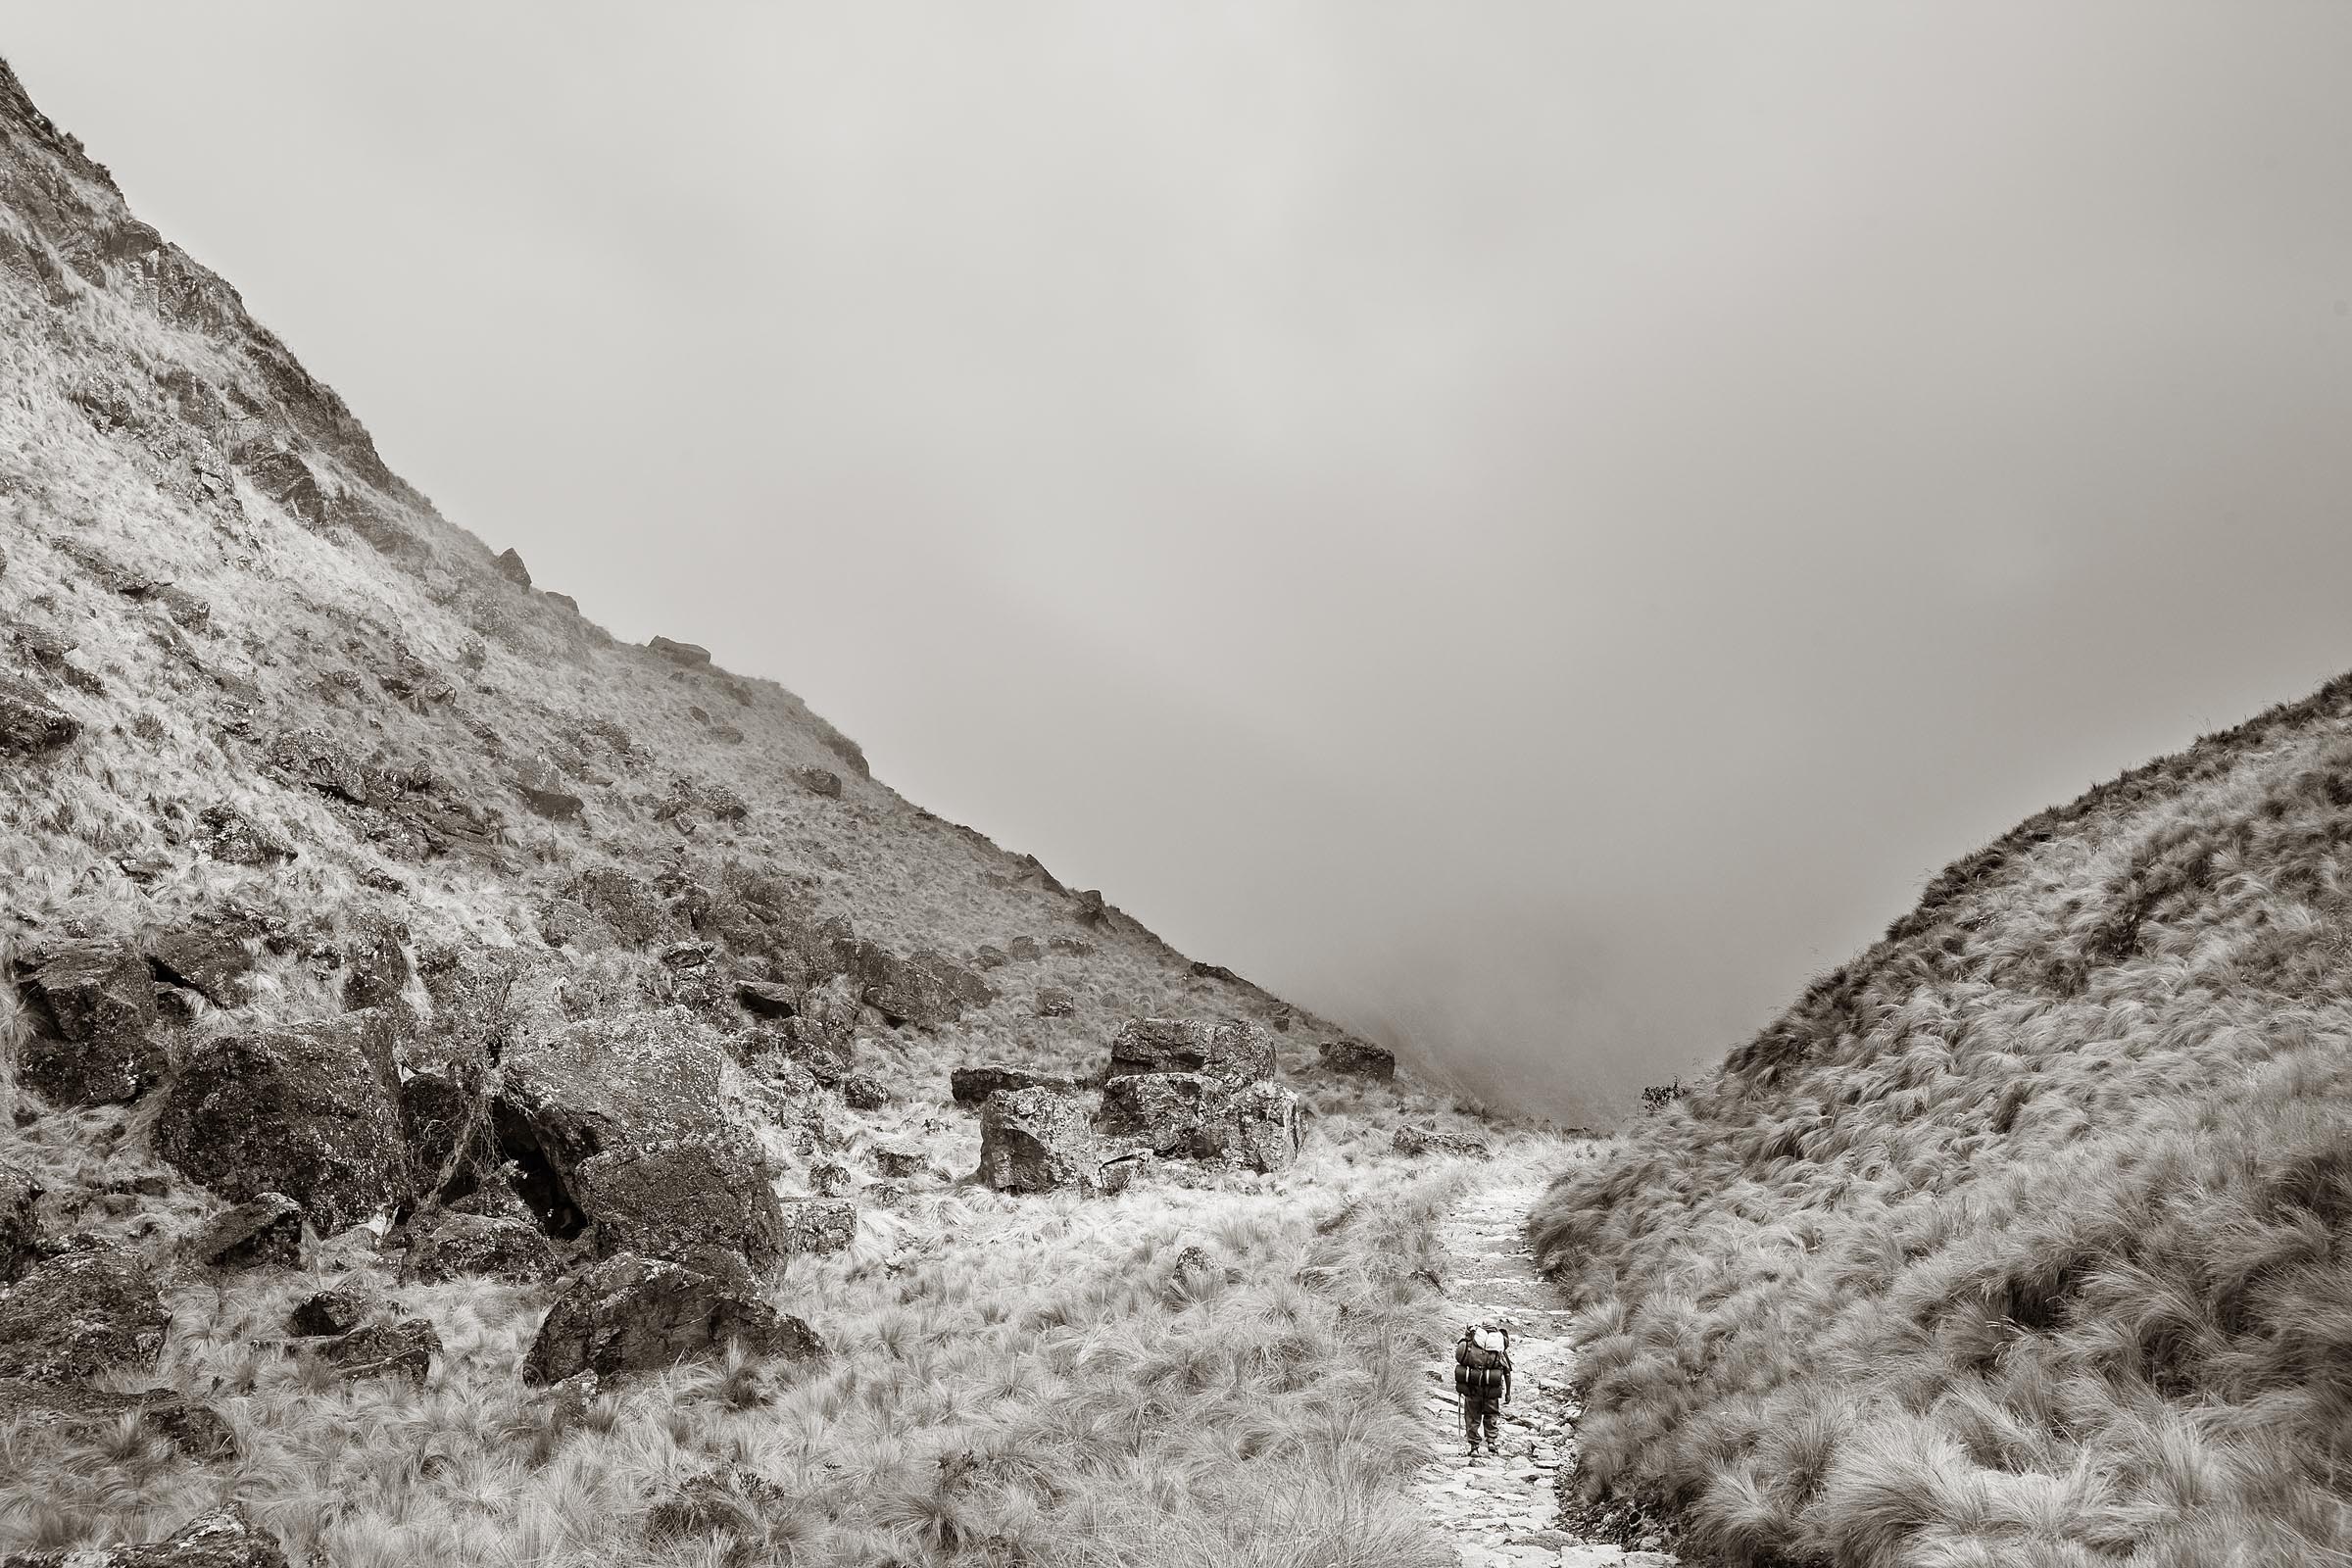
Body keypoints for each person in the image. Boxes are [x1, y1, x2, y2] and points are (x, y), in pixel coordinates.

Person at [1454, 1320, 1512, 1457]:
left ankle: (1474, 1447)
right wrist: (1508, 1393)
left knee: (1472, 1416)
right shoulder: (1498, 1347)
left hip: (1472, 1387)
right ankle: (1491, 1442)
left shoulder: (1470, 1344)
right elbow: (1507, 1372)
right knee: (1491, 1414)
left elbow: (1461, 1362)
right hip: (1491, 1388)